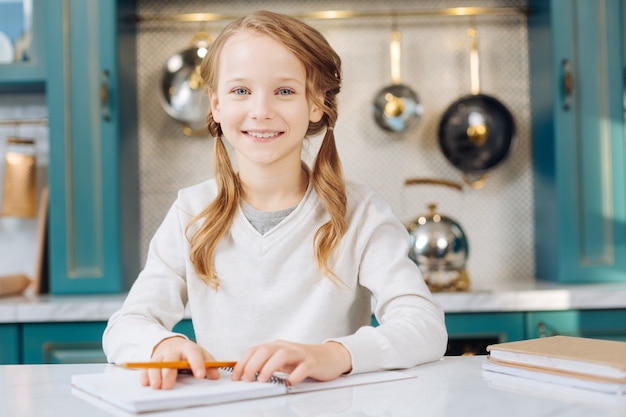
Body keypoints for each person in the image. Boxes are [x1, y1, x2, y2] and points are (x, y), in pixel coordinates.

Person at [102, 10, 447, 390]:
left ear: (316, 104)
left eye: (284, 91)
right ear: (216, 105)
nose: (261, 111)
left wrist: (332, 355)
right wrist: (162, 343)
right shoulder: (192, 211)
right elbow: (126, 325)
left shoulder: (361, 212)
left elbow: (424, 325)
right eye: (240, 91)